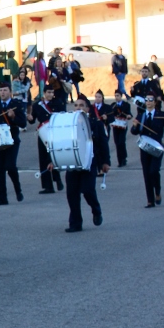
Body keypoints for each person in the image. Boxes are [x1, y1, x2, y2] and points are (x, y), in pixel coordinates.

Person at [61, 94, 110, 232]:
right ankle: (75, 223)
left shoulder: (96, 124)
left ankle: (96, 210)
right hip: (72, 163)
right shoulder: (67, 124)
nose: (78, 108)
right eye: (76, 105)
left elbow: (103, 144)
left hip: (90, 163)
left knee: (88, 190)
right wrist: (53, 161)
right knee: (72, 194)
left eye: (81, 105)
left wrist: (105, 162)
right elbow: (59, 143)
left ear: (88, 109)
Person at [0, 81, 27, 205]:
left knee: (10, 166)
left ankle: (18, 190)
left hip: (12, 140)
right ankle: (2, 198)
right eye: (1, 90)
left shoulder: (16, 104)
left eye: (5, 90)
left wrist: (13, 117)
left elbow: (23, 123)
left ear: (10, 92)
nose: (2, 93)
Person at [131, 92, 164, 207]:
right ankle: (150, 200)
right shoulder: (141, 115)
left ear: (155, 102)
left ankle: (157, 191)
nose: (148, 102)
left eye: (151, 100)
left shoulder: (160, 114)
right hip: (145, 148)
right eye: (146, 100)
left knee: (154, 171)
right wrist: (135, 125)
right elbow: (134, 132)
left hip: (157, 148)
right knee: (146, 174)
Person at [29, 85, 64, 194]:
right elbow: (32, 119)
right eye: (48, 92)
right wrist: (29, 118)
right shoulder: (37, 105)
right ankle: (47, 186)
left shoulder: (58, 103)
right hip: (43, 133)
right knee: (43, 158)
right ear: (44, 93)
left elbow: (62, 116)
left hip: (54, 132)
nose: (50, 95)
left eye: (52, 92)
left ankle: (57, 179)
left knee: (53, 157)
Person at [109, 89, 131, 167]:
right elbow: (110, 114)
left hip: (123, 125)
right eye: (115, 96)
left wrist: (128, 116)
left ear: (121, 96)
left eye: (118, 96)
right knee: (117, 143)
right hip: (116, 126)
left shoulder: (126, 105)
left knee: (121, 142)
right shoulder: (113, 105)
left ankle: (124, 158)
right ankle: (120, 160)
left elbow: (129, 114)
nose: (116, 97)